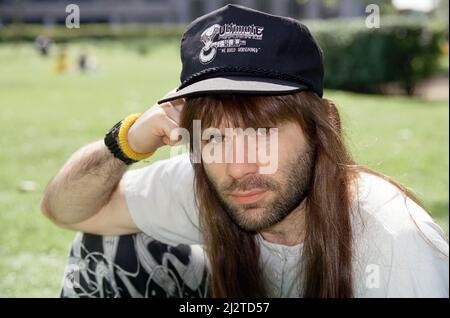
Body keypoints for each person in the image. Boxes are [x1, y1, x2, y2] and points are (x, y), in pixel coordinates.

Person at [41, 4, 448, 298]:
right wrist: (125, 141)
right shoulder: (205, 184)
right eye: (215, 138)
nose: (237, 167)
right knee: (111, 247)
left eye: (263, 133)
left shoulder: (398, 248)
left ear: (324, 127)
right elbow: (69, 210)